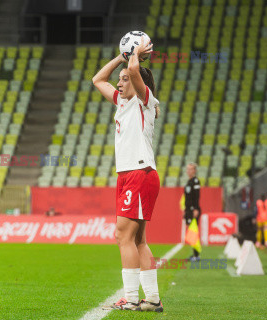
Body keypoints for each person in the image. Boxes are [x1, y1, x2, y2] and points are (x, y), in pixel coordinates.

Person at [93, 37, 162, 312]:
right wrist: (121, 58)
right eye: (119, 80)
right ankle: (152, 299)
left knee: (122, 236)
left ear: (136, 83)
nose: (119, 83)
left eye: (123, 80)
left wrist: (133, 55)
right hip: (130, 173)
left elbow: (135, 72)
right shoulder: (122, 103)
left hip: (139, 171)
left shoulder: (145, 101)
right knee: (138, 239)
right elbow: (97, 79)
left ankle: (132, 298)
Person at [183, 163, 201, 261]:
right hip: (188, 210)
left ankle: (196, 255)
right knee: (191, 232)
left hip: (193, 210)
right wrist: (185, 210)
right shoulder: (189, 182)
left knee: (193, 232)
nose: (188, 171)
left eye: (191, 169)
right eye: (188, 169)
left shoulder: (195, 181)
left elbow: (196, 197)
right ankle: (195, 254)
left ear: (194, 170)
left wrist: (196, 209)